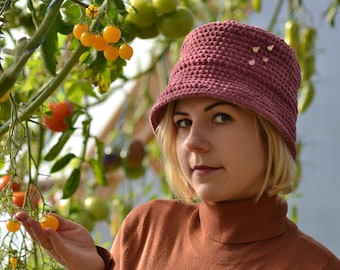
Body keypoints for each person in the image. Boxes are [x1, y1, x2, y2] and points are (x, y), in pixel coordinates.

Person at [16, 20, 340, 269]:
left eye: (221, 118)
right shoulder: (146, 229)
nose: (193, 143)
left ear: (271, 132)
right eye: (183, 122)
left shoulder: (314, 265)